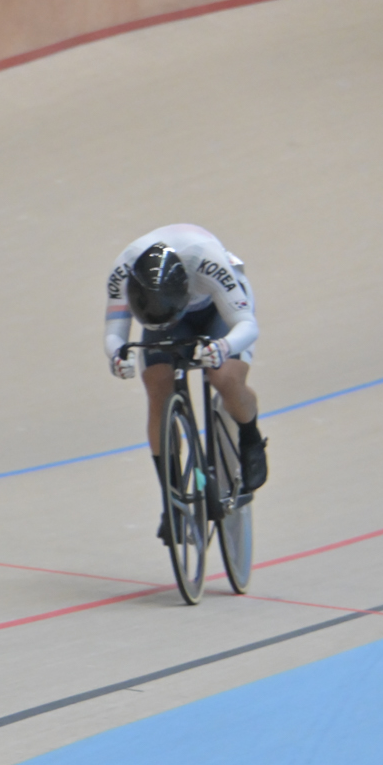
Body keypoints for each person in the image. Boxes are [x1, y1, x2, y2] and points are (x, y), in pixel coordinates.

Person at [104, 227, 268, 538]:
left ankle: (250, 437)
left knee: (223, 376)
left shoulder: (205, 261)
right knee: (157, 385)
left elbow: (246, 325)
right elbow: (115, 331)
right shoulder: (123, 272)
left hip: (218, 310)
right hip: (167, 316)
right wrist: (117, 356)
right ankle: (172, 500)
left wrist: (222, 347)